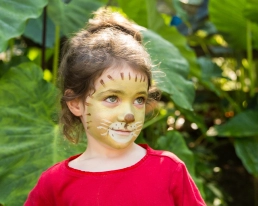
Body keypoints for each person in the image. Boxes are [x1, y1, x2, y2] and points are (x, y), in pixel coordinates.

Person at [24, 8, 206, 206]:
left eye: (139, 99)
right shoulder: (53, 184)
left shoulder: (169, 170)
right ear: (75, 103)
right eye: (112, 98)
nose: (129, 115)